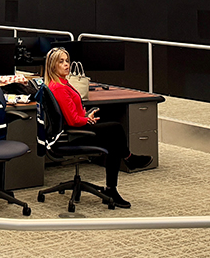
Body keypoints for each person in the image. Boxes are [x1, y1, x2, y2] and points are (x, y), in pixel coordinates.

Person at [43, 47, 152, 208]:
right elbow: (73, 120)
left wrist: (86, 117)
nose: (66, 64)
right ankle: (127, 161)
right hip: (72, 134)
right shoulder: (59, 88)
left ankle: (115, 183)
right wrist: (85, 120)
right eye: (61, 62)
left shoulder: (61, 83)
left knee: (113, 138)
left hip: (74, 128)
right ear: (52, 66)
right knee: (116, 129)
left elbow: (72, 114)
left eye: (67, 61)